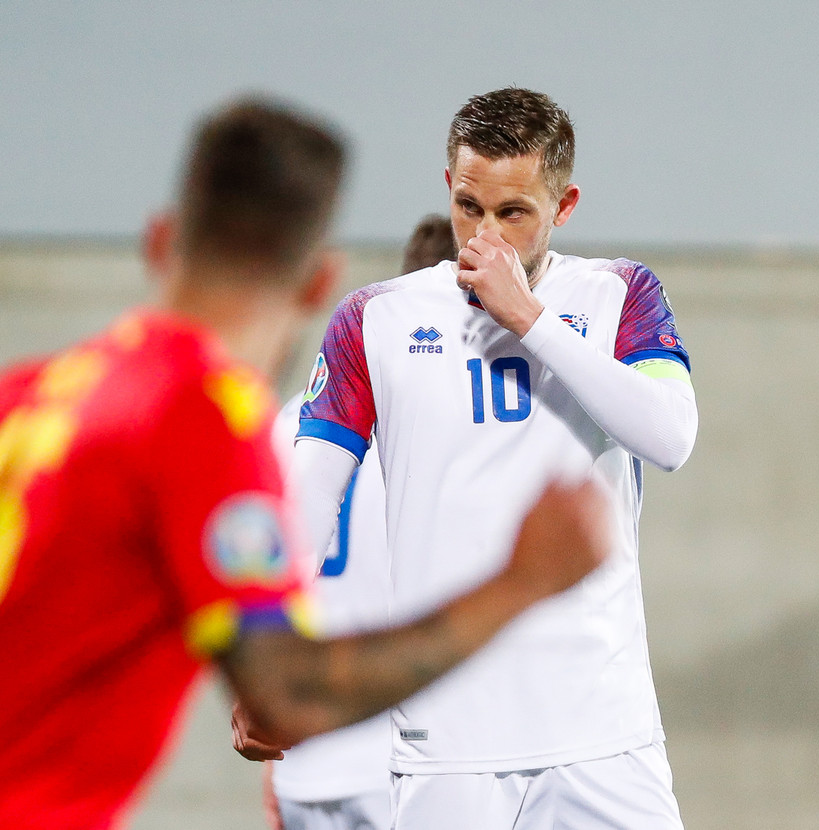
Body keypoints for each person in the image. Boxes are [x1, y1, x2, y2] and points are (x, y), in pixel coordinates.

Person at [0, 97, 610, 830]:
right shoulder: (201, 415)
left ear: (159, 239)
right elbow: (290, 695)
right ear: (322, 282)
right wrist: (523, 581)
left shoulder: (31, 393)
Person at [241, 87, 699, 828]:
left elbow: (671, 436)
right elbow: (307, 505)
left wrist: (532, 320)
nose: (485, 235)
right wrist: (263, 665)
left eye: (513, 213)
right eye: (468, 207)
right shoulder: (375, 319)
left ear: (564, 204)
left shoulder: (619, 294)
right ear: (449, 189)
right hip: (447, 743)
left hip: (602, 733)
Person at [264, 215, 456, 830]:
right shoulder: (452, 422)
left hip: (303, 756)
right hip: (400, 759)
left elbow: (264, 581)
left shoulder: (288, 420)